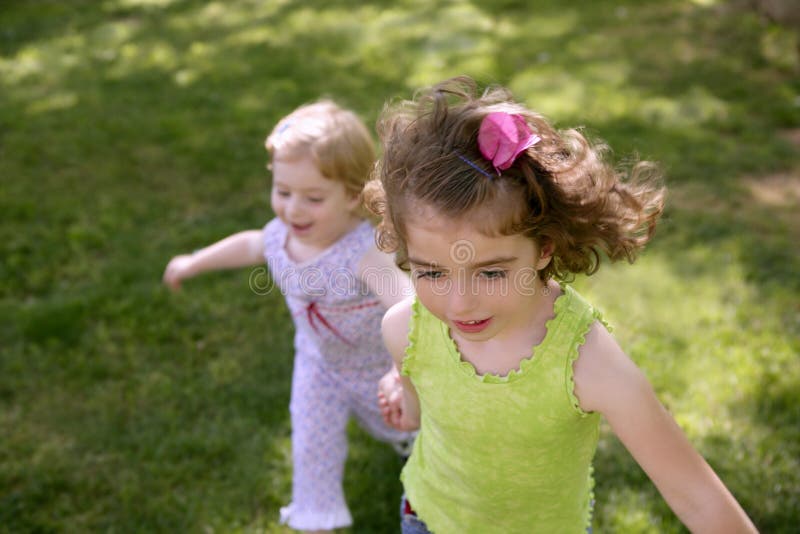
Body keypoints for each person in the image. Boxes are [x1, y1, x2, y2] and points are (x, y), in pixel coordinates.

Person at [368, 77, 757, 533]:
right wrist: (402, 392)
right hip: (427, 520)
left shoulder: (587, 363)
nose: (459, 303)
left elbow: (698, 499)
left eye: (491, 272)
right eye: (431, 272)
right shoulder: (404, 330)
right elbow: (418, 413)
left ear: (546, 248)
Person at [163, 100, 415, 533]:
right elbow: (249, 244)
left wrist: (398, 369)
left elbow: (406, 304)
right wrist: (194, 261)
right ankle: (314, 518)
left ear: (354, 195)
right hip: (318, 364)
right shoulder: (282, 235)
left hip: (380, 370)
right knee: (311, 444)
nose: (294, 209)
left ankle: (427, 462)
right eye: (283, 192)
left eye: (314, 198)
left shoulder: (364, 252)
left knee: (410, 429)